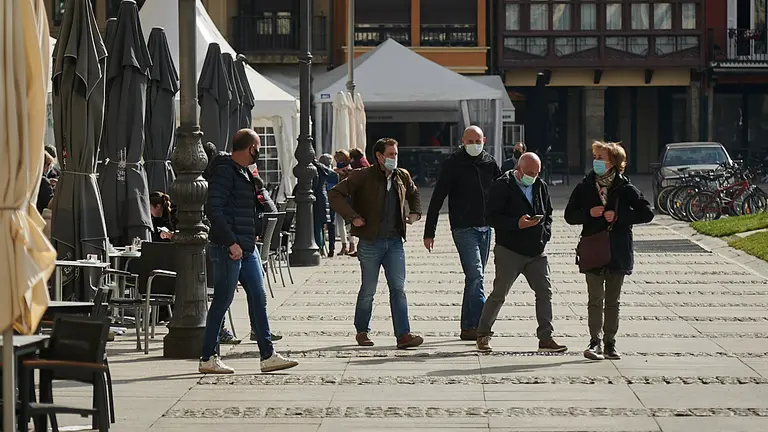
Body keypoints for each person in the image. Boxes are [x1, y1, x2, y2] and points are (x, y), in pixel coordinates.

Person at [200, 129, 298, 374]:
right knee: (222, 301)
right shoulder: (224, 170)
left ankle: (267, 355)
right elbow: (214, 208)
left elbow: (261, 205)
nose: (260, 152)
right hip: (229, 247)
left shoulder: (244, 172)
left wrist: (256, 182)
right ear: (251, 147)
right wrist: (231, 242)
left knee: (258, 296)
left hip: (247, 246)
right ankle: (207, 357)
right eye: (259, 147)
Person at [329, 137, 424, 349]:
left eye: (396, 154)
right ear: (379, 156)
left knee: (398, 289)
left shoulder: (402, 176)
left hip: (395, 242)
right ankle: (362, 331)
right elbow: (334, 194)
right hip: (371, 242)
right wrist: (352, 216)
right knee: (369, 290)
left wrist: (416, 212)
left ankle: (404, 335)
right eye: (390, 154)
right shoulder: (362, 176)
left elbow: (414, 193)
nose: (394, 158)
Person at [564, 141, 654, 361]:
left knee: (612, 301)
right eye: (595, 156)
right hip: (593, 248)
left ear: (613, 162)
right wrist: (589, 213)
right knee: (595, 299)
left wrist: (620, 217)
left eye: (601, 157)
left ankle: (610, 343)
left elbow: (647, 212)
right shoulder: (585, 185)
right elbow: (569, 215)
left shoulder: (625, 187)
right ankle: (594, 342)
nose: (596, 161)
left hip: (618, 250)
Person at [476, 152, 567, 353]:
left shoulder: (540, 186)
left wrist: (545, 233)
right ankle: (483, 334)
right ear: (518, 170)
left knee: (545, 292)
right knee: (500, 293)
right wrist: (516, 223)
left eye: (536, 173)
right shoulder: (502, 186)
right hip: (510, 249)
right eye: (528, 172)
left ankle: (546, 337)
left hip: (536, 250)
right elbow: (490, 217)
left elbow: (549, 212)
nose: (532, 176)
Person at [423, 126, 501, 341]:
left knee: (474, 279)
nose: (474, 144)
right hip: (463, 226)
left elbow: (503, 191)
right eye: (470, 141)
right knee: (477, 275)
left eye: (478, 140)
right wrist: (429, 232)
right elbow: (438, 197)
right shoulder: (453, 163)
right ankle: (481, 325)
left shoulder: (490, 162)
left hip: (486, 227)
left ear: (484, 140)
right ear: (463, 141)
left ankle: (468, 328)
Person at [333, 150, 355, 255]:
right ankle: (345, 245)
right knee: (341, 223)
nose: (338, 161)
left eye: (339, 159)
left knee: (348, 223)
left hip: (347, 198)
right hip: (339, 198)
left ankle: (350, 244)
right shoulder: (337, 169)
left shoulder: (349, 169)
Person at [319, 154, 340, 257]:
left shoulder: (320, 173)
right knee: (332, 224)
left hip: (323, 200)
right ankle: (332, 247)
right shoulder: (334, 174)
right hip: (333, 200)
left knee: (321, 225)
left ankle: (321, 247)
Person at [312, 156, 332, 256]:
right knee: (320, 225)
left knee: (316, 225)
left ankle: (319, 247)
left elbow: (314, 184)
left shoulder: (313, 169)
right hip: (323, 196)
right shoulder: (323, 169)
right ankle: (322, 247)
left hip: (317, 198)